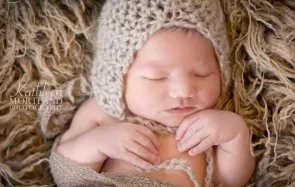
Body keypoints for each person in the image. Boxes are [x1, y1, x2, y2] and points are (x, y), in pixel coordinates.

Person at [51, 0, 255, 187]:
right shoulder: (102, 113)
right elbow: (65, 173)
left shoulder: (209, 125)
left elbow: (229, 182)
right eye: (157, 77)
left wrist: (235, 136)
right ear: (117, 78)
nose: (184, 91)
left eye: (202, 74)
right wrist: (98, 143)